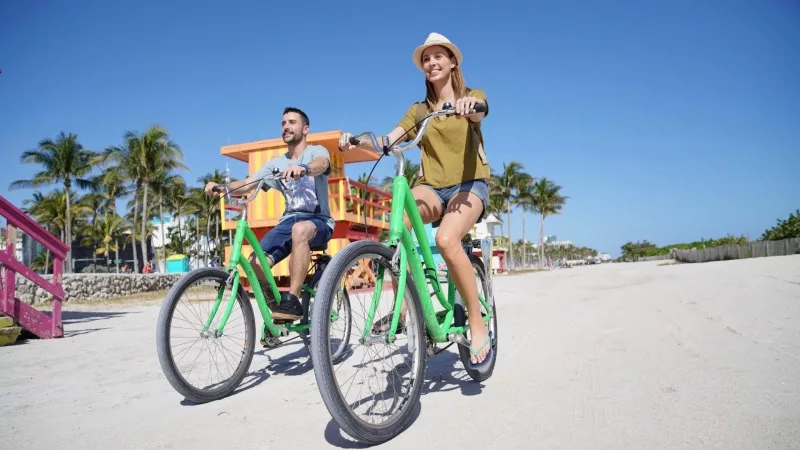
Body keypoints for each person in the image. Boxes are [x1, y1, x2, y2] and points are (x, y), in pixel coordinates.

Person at [338, 32, 493, 368]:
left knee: (446, 238)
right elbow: (388, 139)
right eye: (426, 58)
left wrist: (469, 108)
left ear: (452, 62)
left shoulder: (471, 96)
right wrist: (357, 142)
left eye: (439, 56)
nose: (432, 63)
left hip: (470, 185)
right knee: (398, 230)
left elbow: (481, 110)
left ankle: (478, 327)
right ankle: (405, 306)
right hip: (433, 187)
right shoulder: (418, 110)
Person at [205, 107, 334, 321]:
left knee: (299, 229)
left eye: (292, 122)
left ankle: (292, 300)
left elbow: (322, 164)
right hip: (288, 221)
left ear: (305, 128)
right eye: (283, 123)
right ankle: (276, 312)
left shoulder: (316, 152)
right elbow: (248, 183)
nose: (286, 127)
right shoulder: (276, 164)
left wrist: (303, 168)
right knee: (255, 262)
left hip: (318, 221)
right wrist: (221, 186)